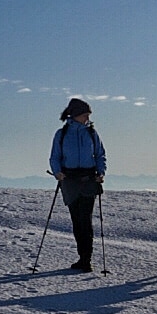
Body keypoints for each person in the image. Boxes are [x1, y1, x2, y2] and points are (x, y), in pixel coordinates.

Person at [50, 98, 106, 272]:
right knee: (77, 220)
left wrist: (101, 172)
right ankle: (83, 258)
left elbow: (100, 154)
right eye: (85, 114)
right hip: (70, 180)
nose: (87, 117)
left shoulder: (91, 133)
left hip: (88, 179)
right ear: (75, 115)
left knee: (85, 220)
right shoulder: (62, 133)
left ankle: (86, 259)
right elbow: (54, 156)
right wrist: (57, 172)